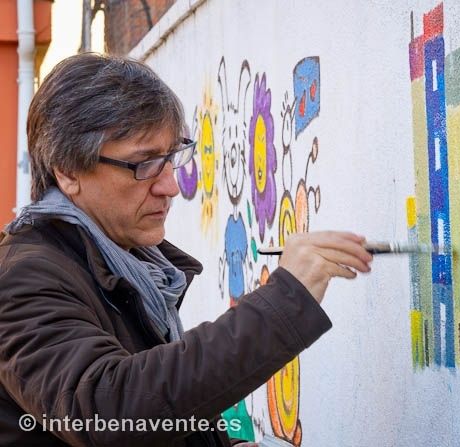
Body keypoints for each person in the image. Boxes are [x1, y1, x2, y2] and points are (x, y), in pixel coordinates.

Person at [0, 53, 372, 446]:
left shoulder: (128, 264)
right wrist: (284, 302)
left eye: (172, 158)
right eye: (144, 164)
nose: (170, 187)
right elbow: (108, 412)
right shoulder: (21, 279)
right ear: (68, 171)